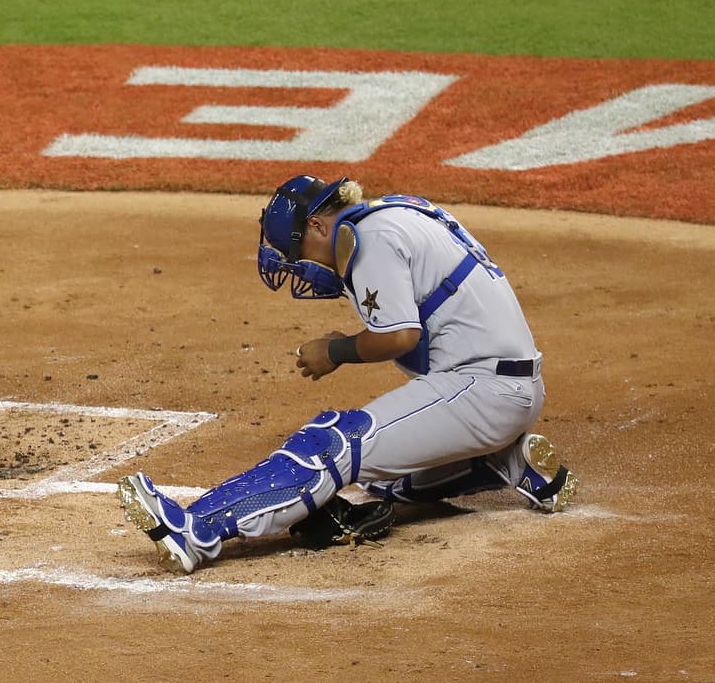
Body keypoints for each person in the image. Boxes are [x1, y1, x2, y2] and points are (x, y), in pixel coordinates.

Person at [118, 175, 578, 573]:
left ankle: (195, 532)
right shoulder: (393, 213)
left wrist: (335, 350)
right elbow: (422, 338)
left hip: (483, 391)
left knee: (335, 442)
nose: (303, 268)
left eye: (297, 253)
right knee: (382, 478)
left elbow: (401, 338)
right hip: (505, 388)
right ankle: (504, 461)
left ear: (318, 225)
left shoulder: (372, 239)